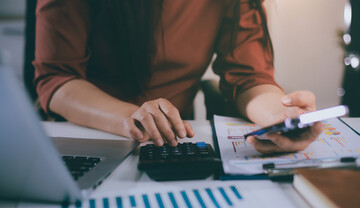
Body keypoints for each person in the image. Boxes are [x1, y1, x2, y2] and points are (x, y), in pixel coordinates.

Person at [33, 0, 322, 154]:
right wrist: (132, 116)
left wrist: (279, 115)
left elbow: (249, 77)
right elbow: (57, 78)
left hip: (169, 146)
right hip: (83, 135)